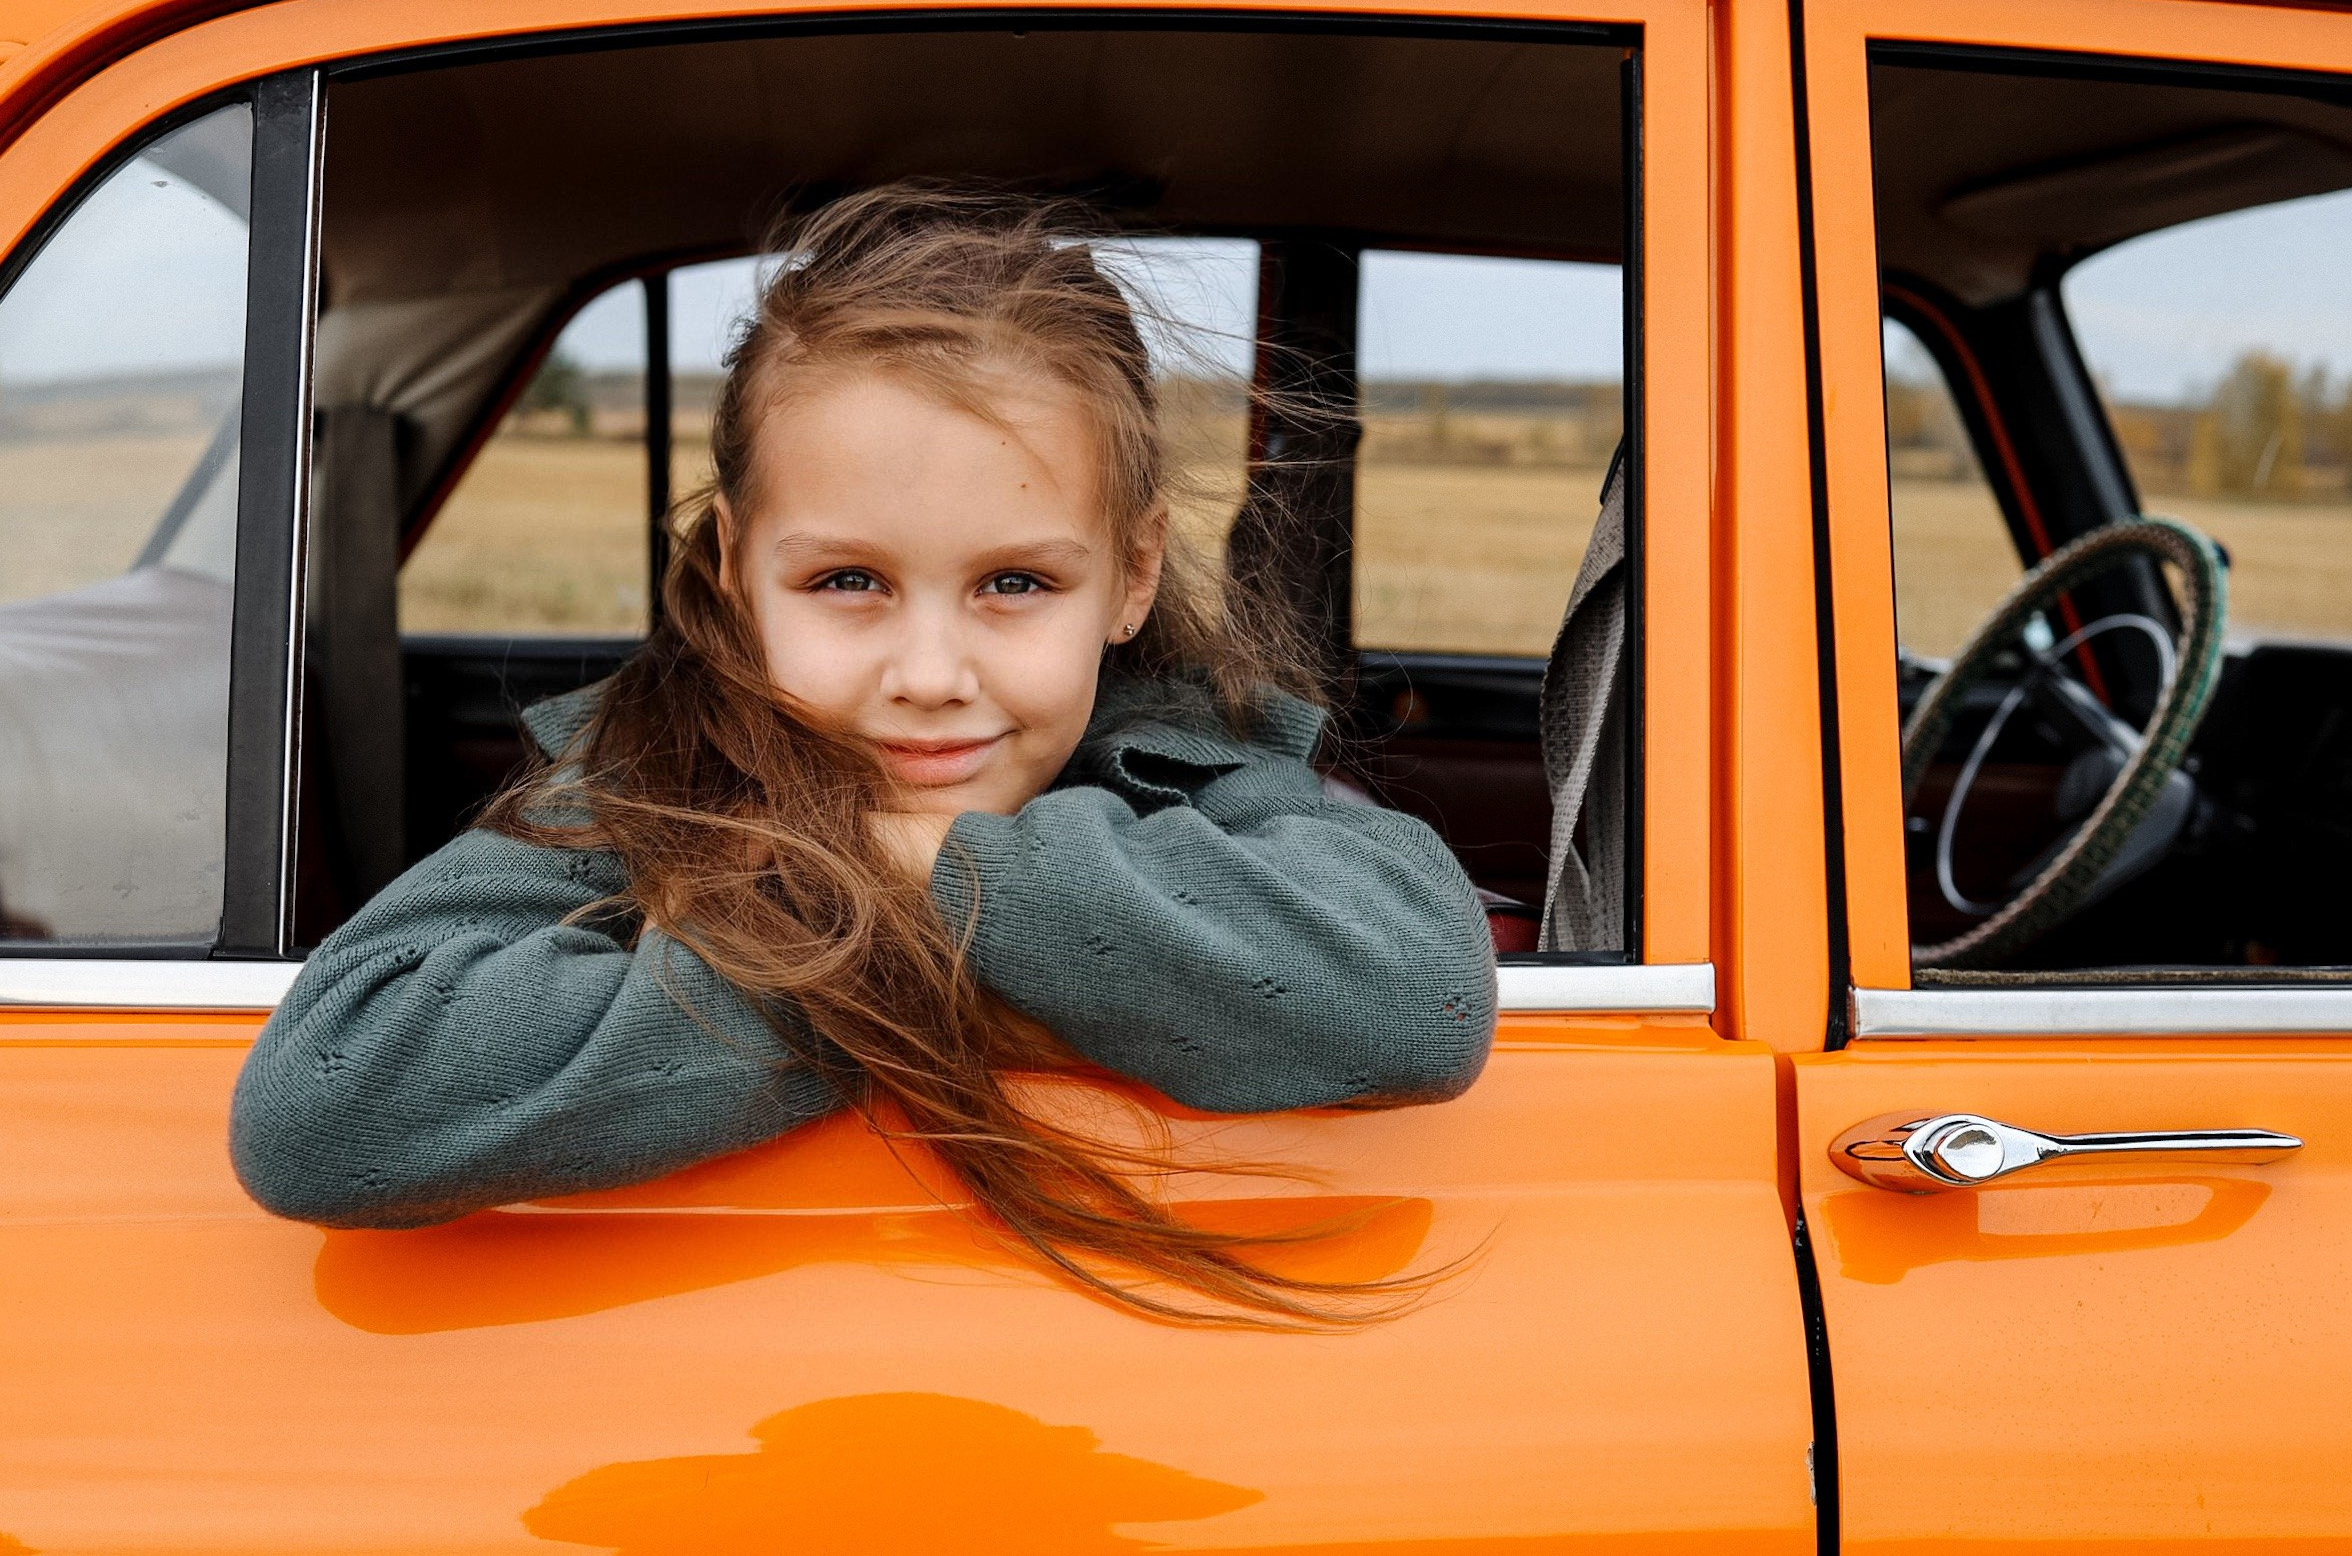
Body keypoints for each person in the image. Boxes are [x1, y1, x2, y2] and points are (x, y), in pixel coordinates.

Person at [229, 185, 1497, 1322]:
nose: (931, 676)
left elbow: (1414, 995)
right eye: (849, 580)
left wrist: (901, 865)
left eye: (1013, 582)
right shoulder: (634, 785)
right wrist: (953, 958)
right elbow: (321, 1108)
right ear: (735, 571)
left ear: (1133, 574)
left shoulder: (1191, 767)